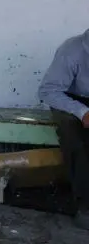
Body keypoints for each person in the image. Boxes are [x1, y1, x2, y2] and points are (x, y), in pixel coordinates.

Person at [38, 28, 89, 230]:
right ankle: (85, 205)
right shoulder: (72, 50)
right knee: (75, 136)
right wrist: (82, 112)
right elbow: (48, 91)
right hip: (70, 100)